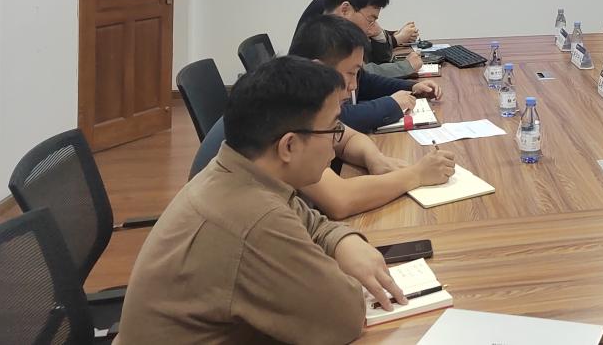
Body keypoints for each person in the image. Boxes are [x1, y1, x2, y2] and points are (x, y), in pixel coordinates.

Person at [118, 56, 406, 343]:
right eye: (333, 129)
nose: (336, 142)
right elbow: (343, 318)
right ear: (288, 146)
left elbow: (310, 222)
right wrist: (343, 271)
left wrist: (344, 242)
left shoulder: (239, 171)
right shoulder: (254, 219)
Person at [191, 16, 456, 218]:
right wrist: (416, 174)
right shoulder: (288, 108)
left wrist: (374, 158)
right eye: (351, 73)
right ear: (320, 69)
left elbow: (346, 137)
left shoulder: (298, 92)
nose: (354, 85)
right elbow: (340, 201)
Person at [324, 0, 421, 81]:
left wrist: (379, 35)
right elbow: (361, 73)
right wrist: (405, 67)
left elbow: (376, 62)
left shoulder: (341, 31)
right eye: (370, 19)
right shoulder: (323, 37)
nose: (370, 26)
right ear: (345, 10)